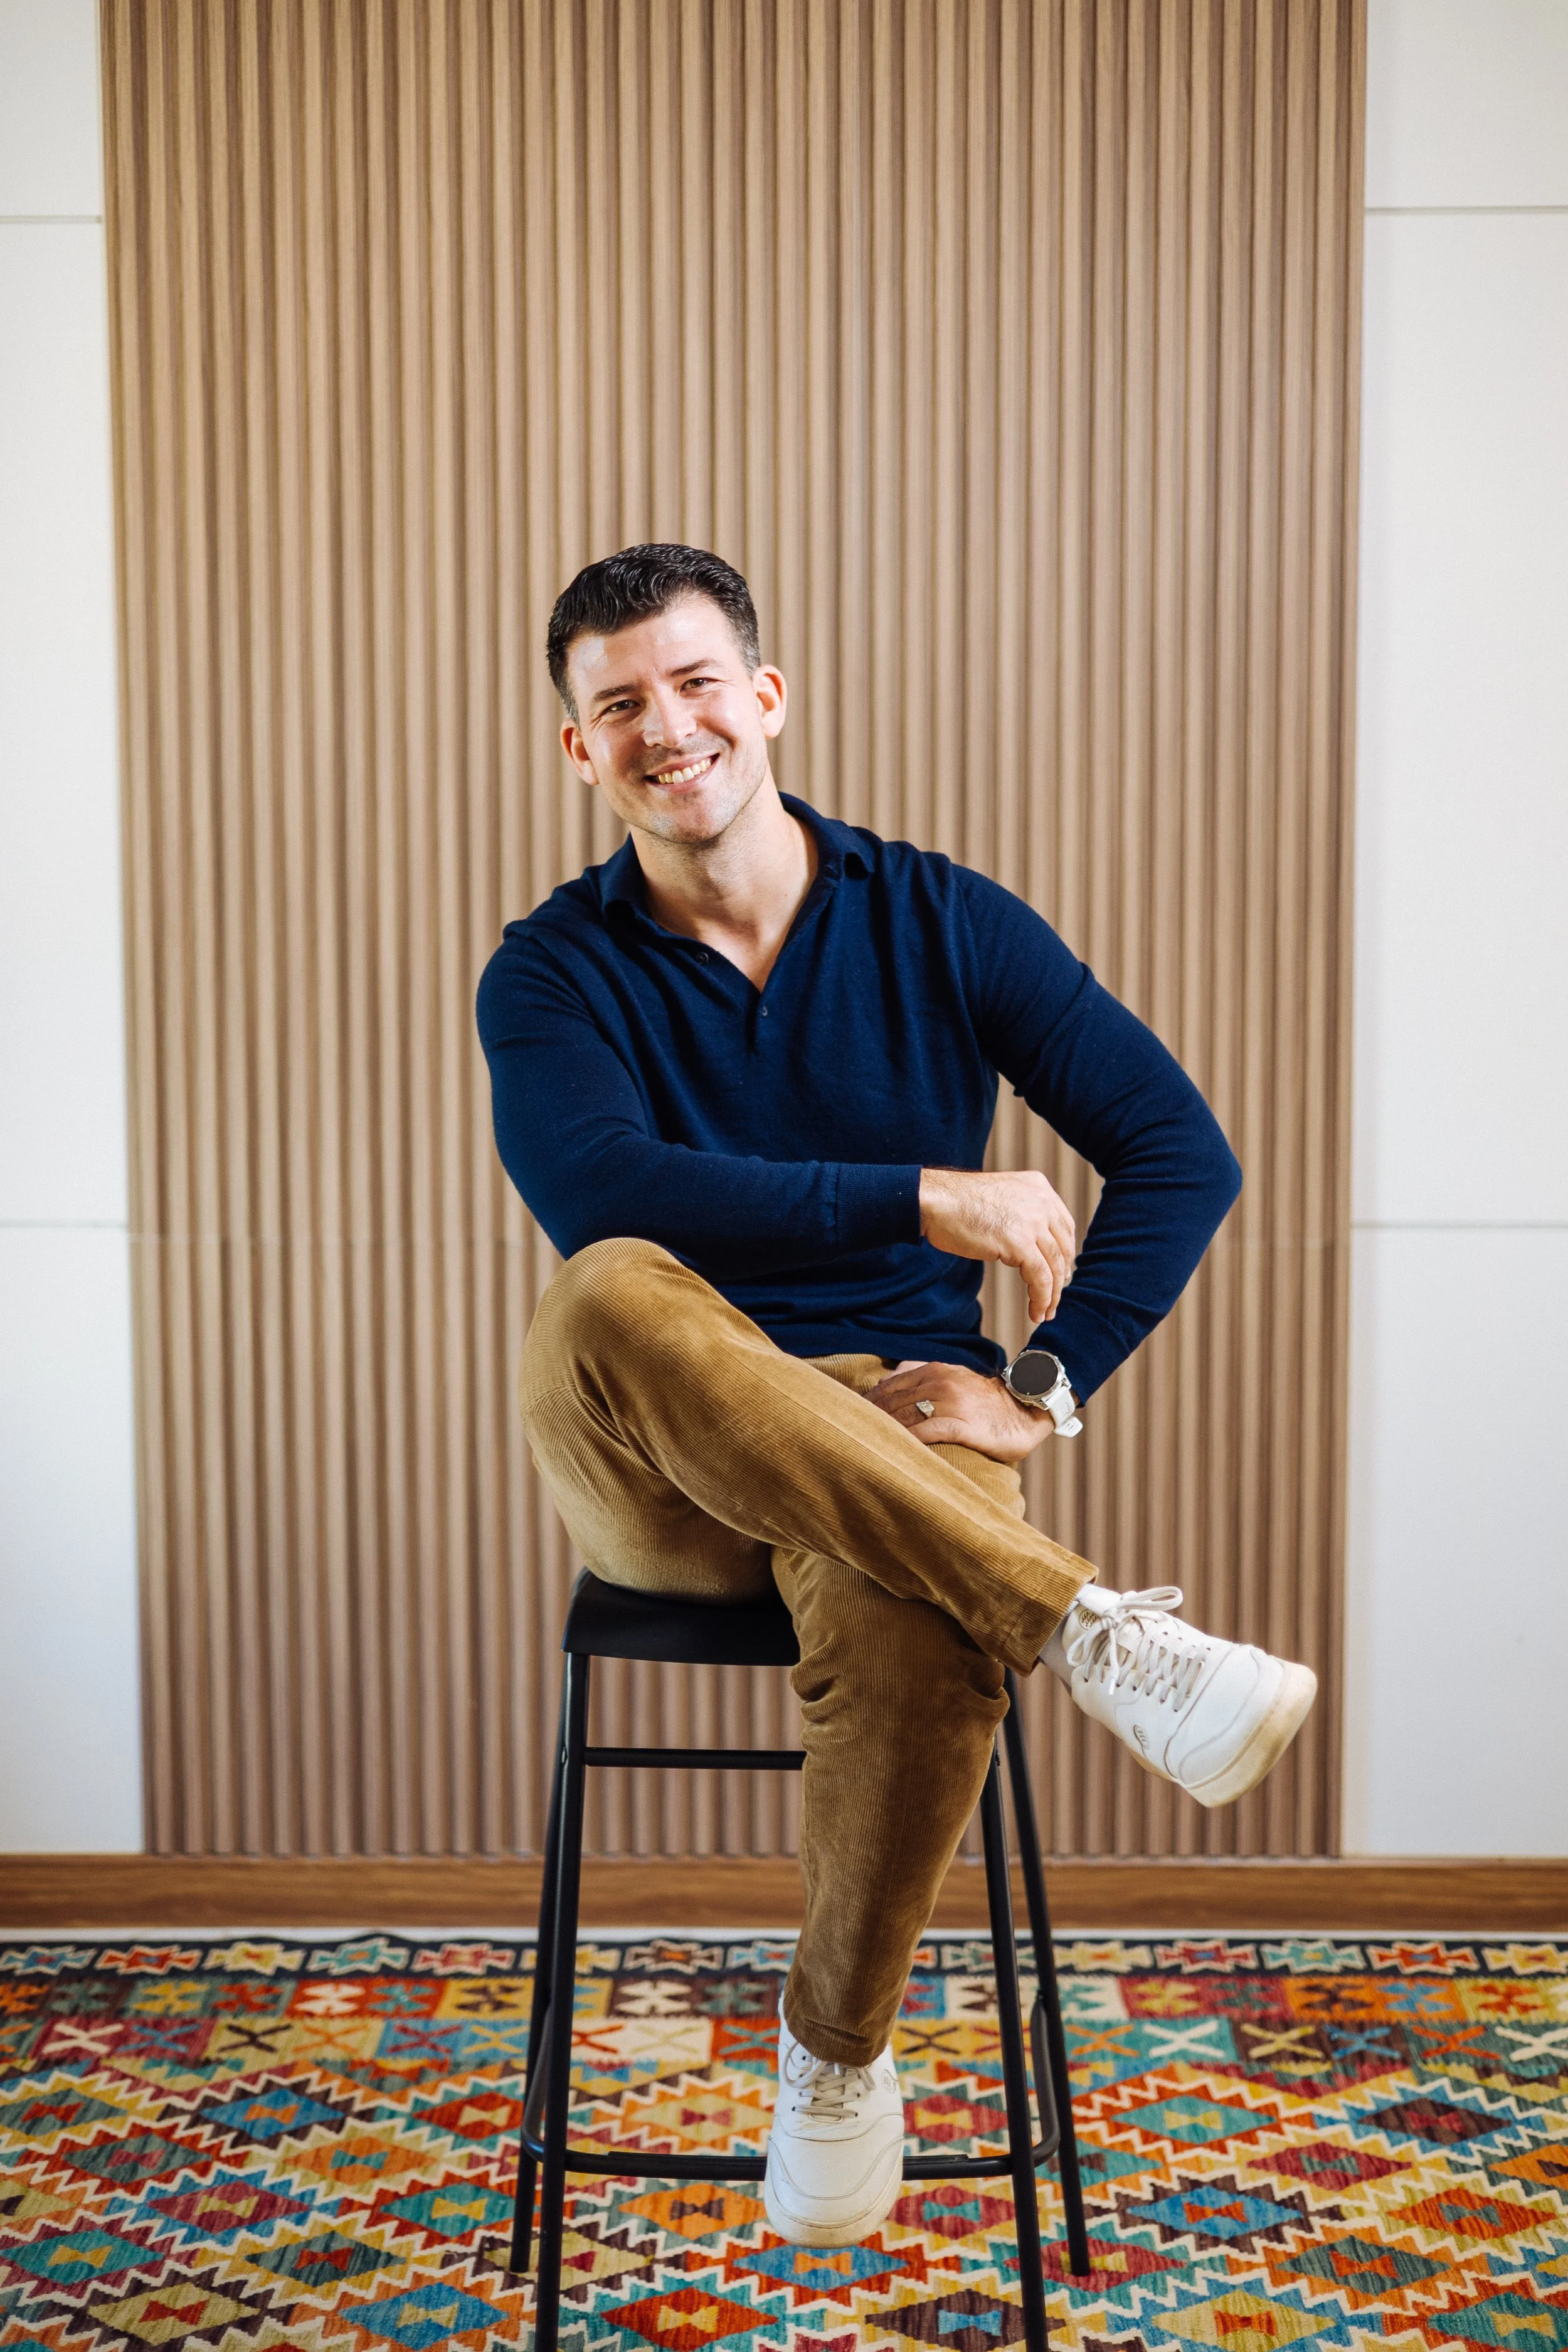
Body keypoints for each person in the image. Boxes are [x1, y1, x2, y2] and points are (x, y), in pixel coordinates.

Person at [476, 543, 1316, 2250]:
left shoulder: (937, 916)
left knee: (916, 1592)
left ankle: (833, 2057)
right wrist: (925, 1194)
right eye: (618, 703)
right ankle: (1083, 1624)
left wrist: (1044, 1388)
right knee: (601, 1283)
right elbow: (608, 1183)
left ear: (765, 697)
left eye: (696, 681)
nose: (667, 726)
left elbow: (1179, 1149)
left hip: (905, 1432)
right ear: (579, 749)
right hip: (665, 1461)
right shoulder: (549, 973)